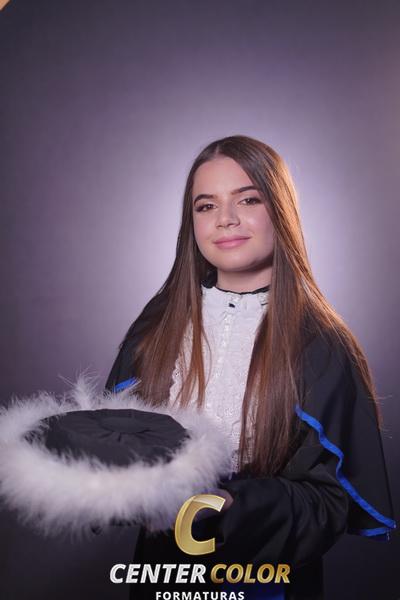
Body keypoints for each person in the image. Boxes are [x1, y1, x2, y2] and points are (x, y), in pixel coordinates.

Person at [105, 135, 396, 599]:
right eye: (206, 206)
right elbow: (116, 445)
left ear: (280, 210)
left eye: (248, 199)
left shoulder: (322, 344)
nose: (225, 219)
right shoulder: (156, 326)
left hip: (266, 580)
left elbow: (329, 501)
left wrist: (235, 507)